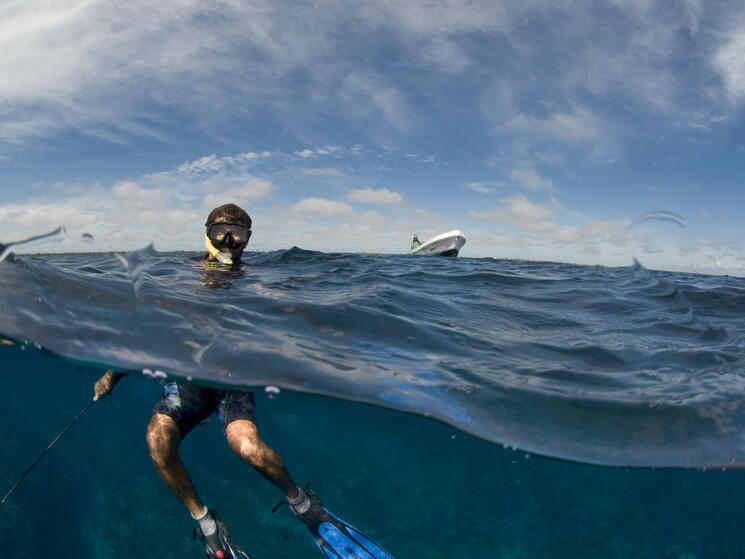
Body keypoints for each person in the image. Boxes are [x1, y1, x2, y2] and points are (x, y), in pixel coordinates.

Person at [92, 204, 324, 559]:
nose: (228, 240)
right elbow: (143, 328)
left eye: (238, 233)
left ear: (249, 240)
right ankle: (206, 523)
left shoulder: (258, 279)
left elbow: (297, 304)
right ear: (206, 233)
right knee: (157, 439)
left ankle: (301, 501)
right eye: (220, 232)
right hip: (189, 380)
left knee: (248, 448)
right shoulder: (179, 276)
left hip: (234, 378)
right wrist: (111, 374)